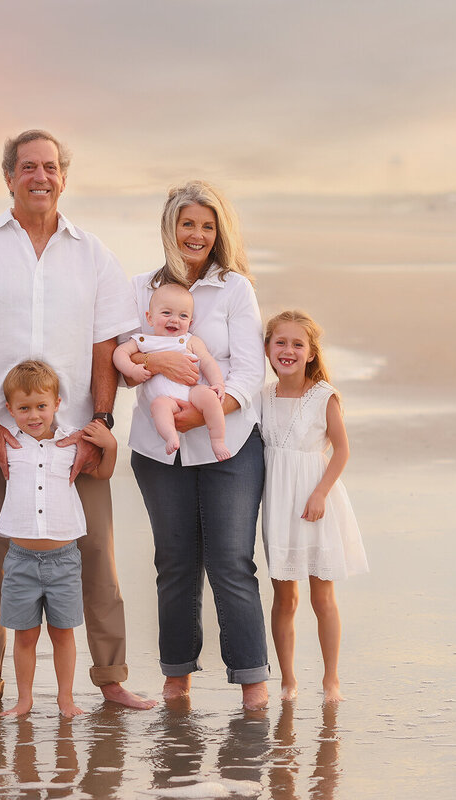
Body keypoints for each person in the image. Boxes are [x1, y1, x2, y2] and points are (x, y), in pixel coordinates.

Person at [0, 129, 153, 710]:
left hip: (74, 440)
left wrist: (100, 424)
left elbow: (108, 345)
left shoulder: (94, 255)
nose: (40, 177)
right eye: (28, 167)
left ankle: (110, 681)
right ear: (8, 177)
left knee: (98, 563)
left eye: (50, 167)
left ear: (63, 177)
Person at [122, 180, 270, 710]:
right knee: (175, 561)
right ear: (170, 227)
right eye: (188, 224)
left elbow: (251, 370)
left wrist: (203, 415)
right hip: (159, 450)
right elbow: (120, 365)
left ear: (219, 232)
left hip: (229, 440)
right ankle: (176, 680)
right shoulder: (139, 288)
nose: (197, 235)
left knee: (231, 561)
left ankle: (253, 685)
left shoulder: (235, 289)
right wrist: (154, 366)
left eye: (208, 226)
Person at [0, 360, 119, 718]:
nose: (34, 415)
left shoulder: (70, 443)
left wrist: (111, 446)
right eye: (24, 408)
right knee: (25, 636)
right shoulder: (8, 445)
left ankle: (66, 700)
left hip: (64, 559)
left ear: (57, 404)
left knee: (64, 634)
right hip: (20, 560)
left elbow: (104, 473)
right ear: (10, 410)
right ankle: (25, 699)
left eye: (41, 406)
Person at [260, 310, 368, 703]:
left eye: (297, 344)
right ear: (268, 348)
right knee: (285, 598)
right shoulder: (262, 397)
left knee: (322, 597)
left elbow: (341, 450)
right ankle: (288, 681)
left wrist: (321, 492)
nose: (287, 350)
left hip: (316, 502)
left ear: (310, 353)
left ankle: (331, 680)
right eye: (280, 342)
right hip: (277, 506)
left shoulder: (324, 396)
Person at [113, 282, 231, 460]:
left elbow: (207, 361)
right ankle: (170, 437)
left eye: (183, 316)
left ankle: (217, 440)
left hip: (192, 391)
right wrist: (132, 369)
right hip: (166, 400)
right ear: (150, 318)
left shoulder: (189, 340)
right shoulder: (144, 340)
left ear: (190, 322)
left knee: (209, 397)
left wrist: (218, 383)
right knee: (159, 406)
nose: (175, 319)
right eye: (166, 313)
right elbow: (119, 353)